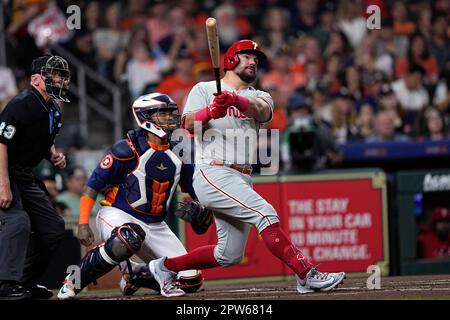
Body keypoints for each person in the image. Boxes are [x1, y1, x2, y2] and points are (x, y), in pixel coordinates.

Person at [147, 40, 346, 298]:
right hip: (214, 171)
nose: (253, 61)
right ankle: (306, 274)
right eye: (247, 56)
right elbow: (186, 125)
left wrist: (234, 100)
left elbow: (262, 113)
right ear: (230, 59)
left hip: (242, 176)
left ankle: (164, 267)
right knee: (265, 213)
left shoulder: (259, 95)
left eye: (256, 59)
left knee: (228, 254)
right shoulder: (204, 89)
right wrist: (210, 111)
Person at [57, 93, 204, 299]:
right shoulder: (126, 148)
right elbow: (92, 186)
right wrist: (83, 223)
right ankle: (73, 282)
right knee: (127, 238)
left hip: (156, 224)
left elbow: (194, 190)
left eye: (171, 113)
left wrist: (202, 207)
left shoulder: (180, 151)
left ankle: (135, 274)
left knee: (191, 279)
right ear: (145, 117)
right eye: (163, 113)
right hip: (118, 214)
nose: (170, 118)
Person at [0, 55, 71, 300]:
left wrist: (53, 155)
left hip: (22, 174)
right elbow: (1, 143)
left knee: (53, 228)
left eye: (62, 75)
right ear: (36, 79)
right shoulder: (21, 103)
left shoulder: (53, 109)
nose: (60, 79)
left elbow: (43, 140)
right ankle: (5, 284)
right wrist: (3, 185)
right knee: (17, 221)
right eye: (54, 73)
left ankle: (22, 282)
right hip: (4, 170)